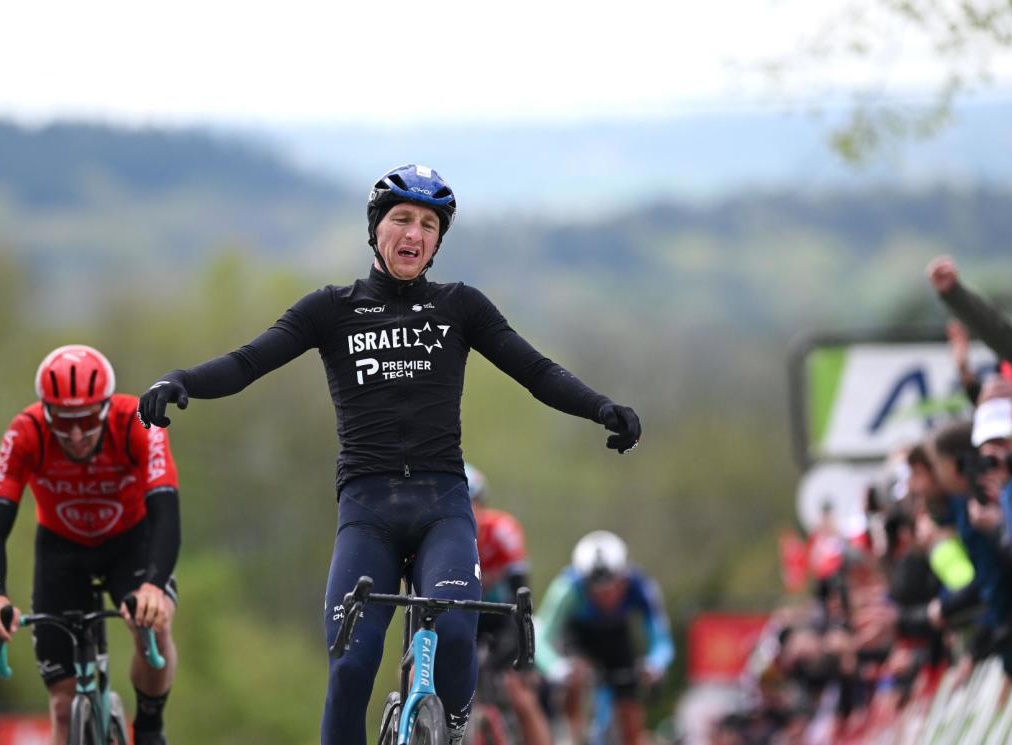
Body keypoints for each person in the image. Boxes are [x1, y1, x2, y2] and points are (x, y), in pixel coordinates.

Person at [136, 164, 641, 745]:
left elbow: (536, 370)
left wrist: (600, 407)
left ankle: (451, 729)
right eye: (401, 218)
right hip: (368, 510)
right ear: (376, 229)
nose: (414, 232)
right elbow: (248, 361)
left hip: (442, 505)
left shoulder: (461, 307)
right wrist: (181, 381)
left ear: (437, 242)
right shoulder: (331, 309)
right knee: (351, 666)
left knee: (455, 633)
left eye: (429, 224)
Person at [0, 344, 181, 745]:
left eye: (86, 420)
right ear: (45, 413)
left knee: (153, 626)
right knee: (61, 706)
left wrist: (153, 588)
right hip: (62, 550)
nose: (74, 434)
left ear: (104, 409)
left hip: (131, 542)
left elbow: (167, 513)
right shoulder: (25, 432)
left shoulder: (138, 421)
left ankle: (151, 725)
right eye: (63, 421)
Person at [534, 531, 673, 745]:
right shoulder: (567, 588)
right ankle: (573, 736)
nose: (605, 596)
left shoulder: (640, 586)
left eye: (612, 588)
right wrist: (555, 667)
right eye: (595, 591)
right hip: (578, 637)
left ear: (623, 577)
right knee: (576, 675)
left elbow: (660, 637)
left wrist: (654, 665)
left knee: (630, 712)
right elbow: (540, 635)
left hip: (617, 638)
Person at [465, 463, 551, 745]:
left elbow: (521, 593)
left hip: (503, 618)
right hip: (464, 617)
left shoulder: (502, 529)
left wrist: (525, 648)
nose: (468, 512)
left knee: (517, 691)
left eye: (472, 503)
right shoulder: (437, 537)